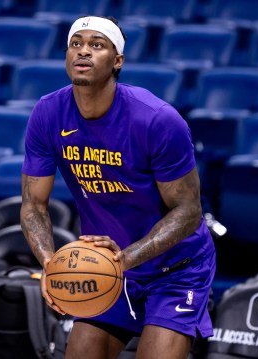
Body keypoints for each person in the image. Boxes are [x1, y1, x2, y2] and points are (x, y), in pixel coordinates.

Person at [20, 15, 216, 359]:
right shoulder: (48, 113)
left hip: (176, 268)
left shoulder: (156, 119)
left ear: (117, 61)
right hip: (108, 266)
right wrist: (51, 264)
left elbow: (188, 212)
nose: (83, 52)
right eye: (76, 44)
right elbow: (34, 205)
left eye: (97, 45)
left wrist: (125, 259)